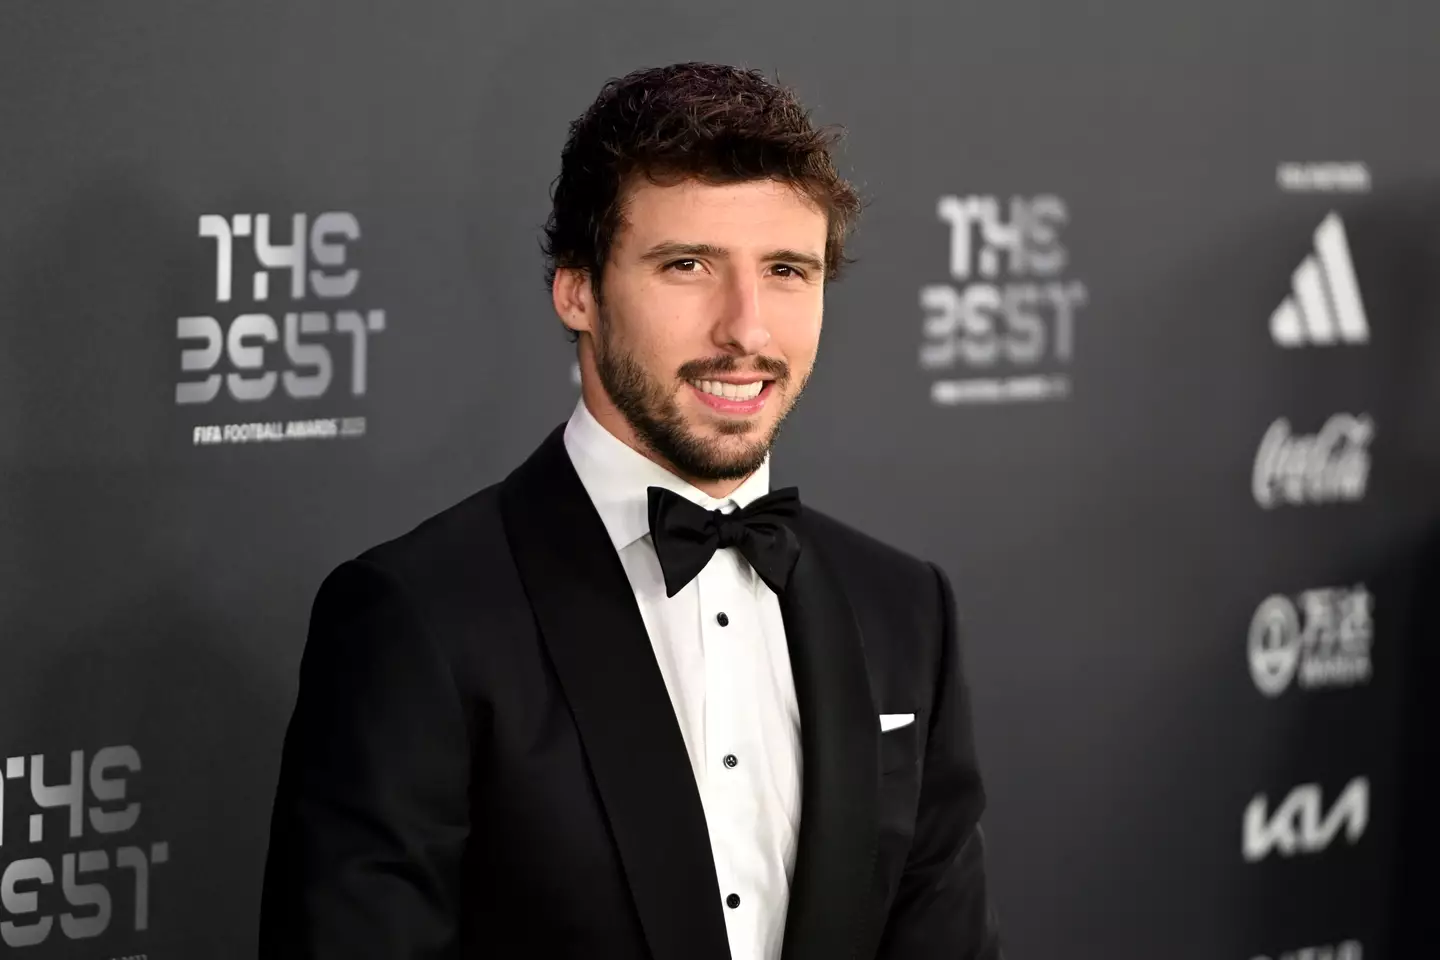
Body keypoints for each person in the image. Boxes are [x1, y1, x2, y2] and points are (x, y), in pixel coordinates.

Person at [258, 61, 1002, 960]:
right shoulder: (418, 617)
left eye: (786, 271)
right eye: (687, 266)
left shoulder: (904, 610)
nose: (748, 330)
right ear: (578, 290)